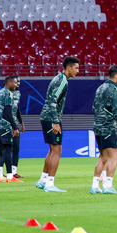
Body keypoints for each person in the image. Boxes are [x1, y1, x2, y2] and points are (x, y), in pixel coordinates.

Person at [37, 57, 79, 192]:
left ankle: (43, 180)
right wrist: (55, 121)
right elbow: (53, 101)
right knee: (56, 150)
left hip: (47, 116)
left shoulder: (58, 78)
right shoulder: (62, 81)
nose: (78, 71)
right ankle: (50, 184)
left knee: (53, 149)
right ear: (69, 68)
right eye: (76, 68)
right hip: (51, 117)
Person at [91, 67, 117, 194]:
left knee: (103, 157)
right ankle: (108, 185)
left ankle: (95, 186)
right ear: (116, 76)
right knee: (114, 155)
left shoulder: (100, 88)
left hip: (98, 125)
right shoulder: (115, 89)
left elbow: (94, 107)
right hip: (109, 126)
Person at [0, 75, 21, 183]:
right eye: (15, 83)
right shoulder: (8, 93)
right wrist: (15, 127)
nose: (17, 85)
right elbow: (8, 113)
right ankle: (9, 177)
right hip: (4, 126)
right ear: (9, 83)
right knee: (8, 150)